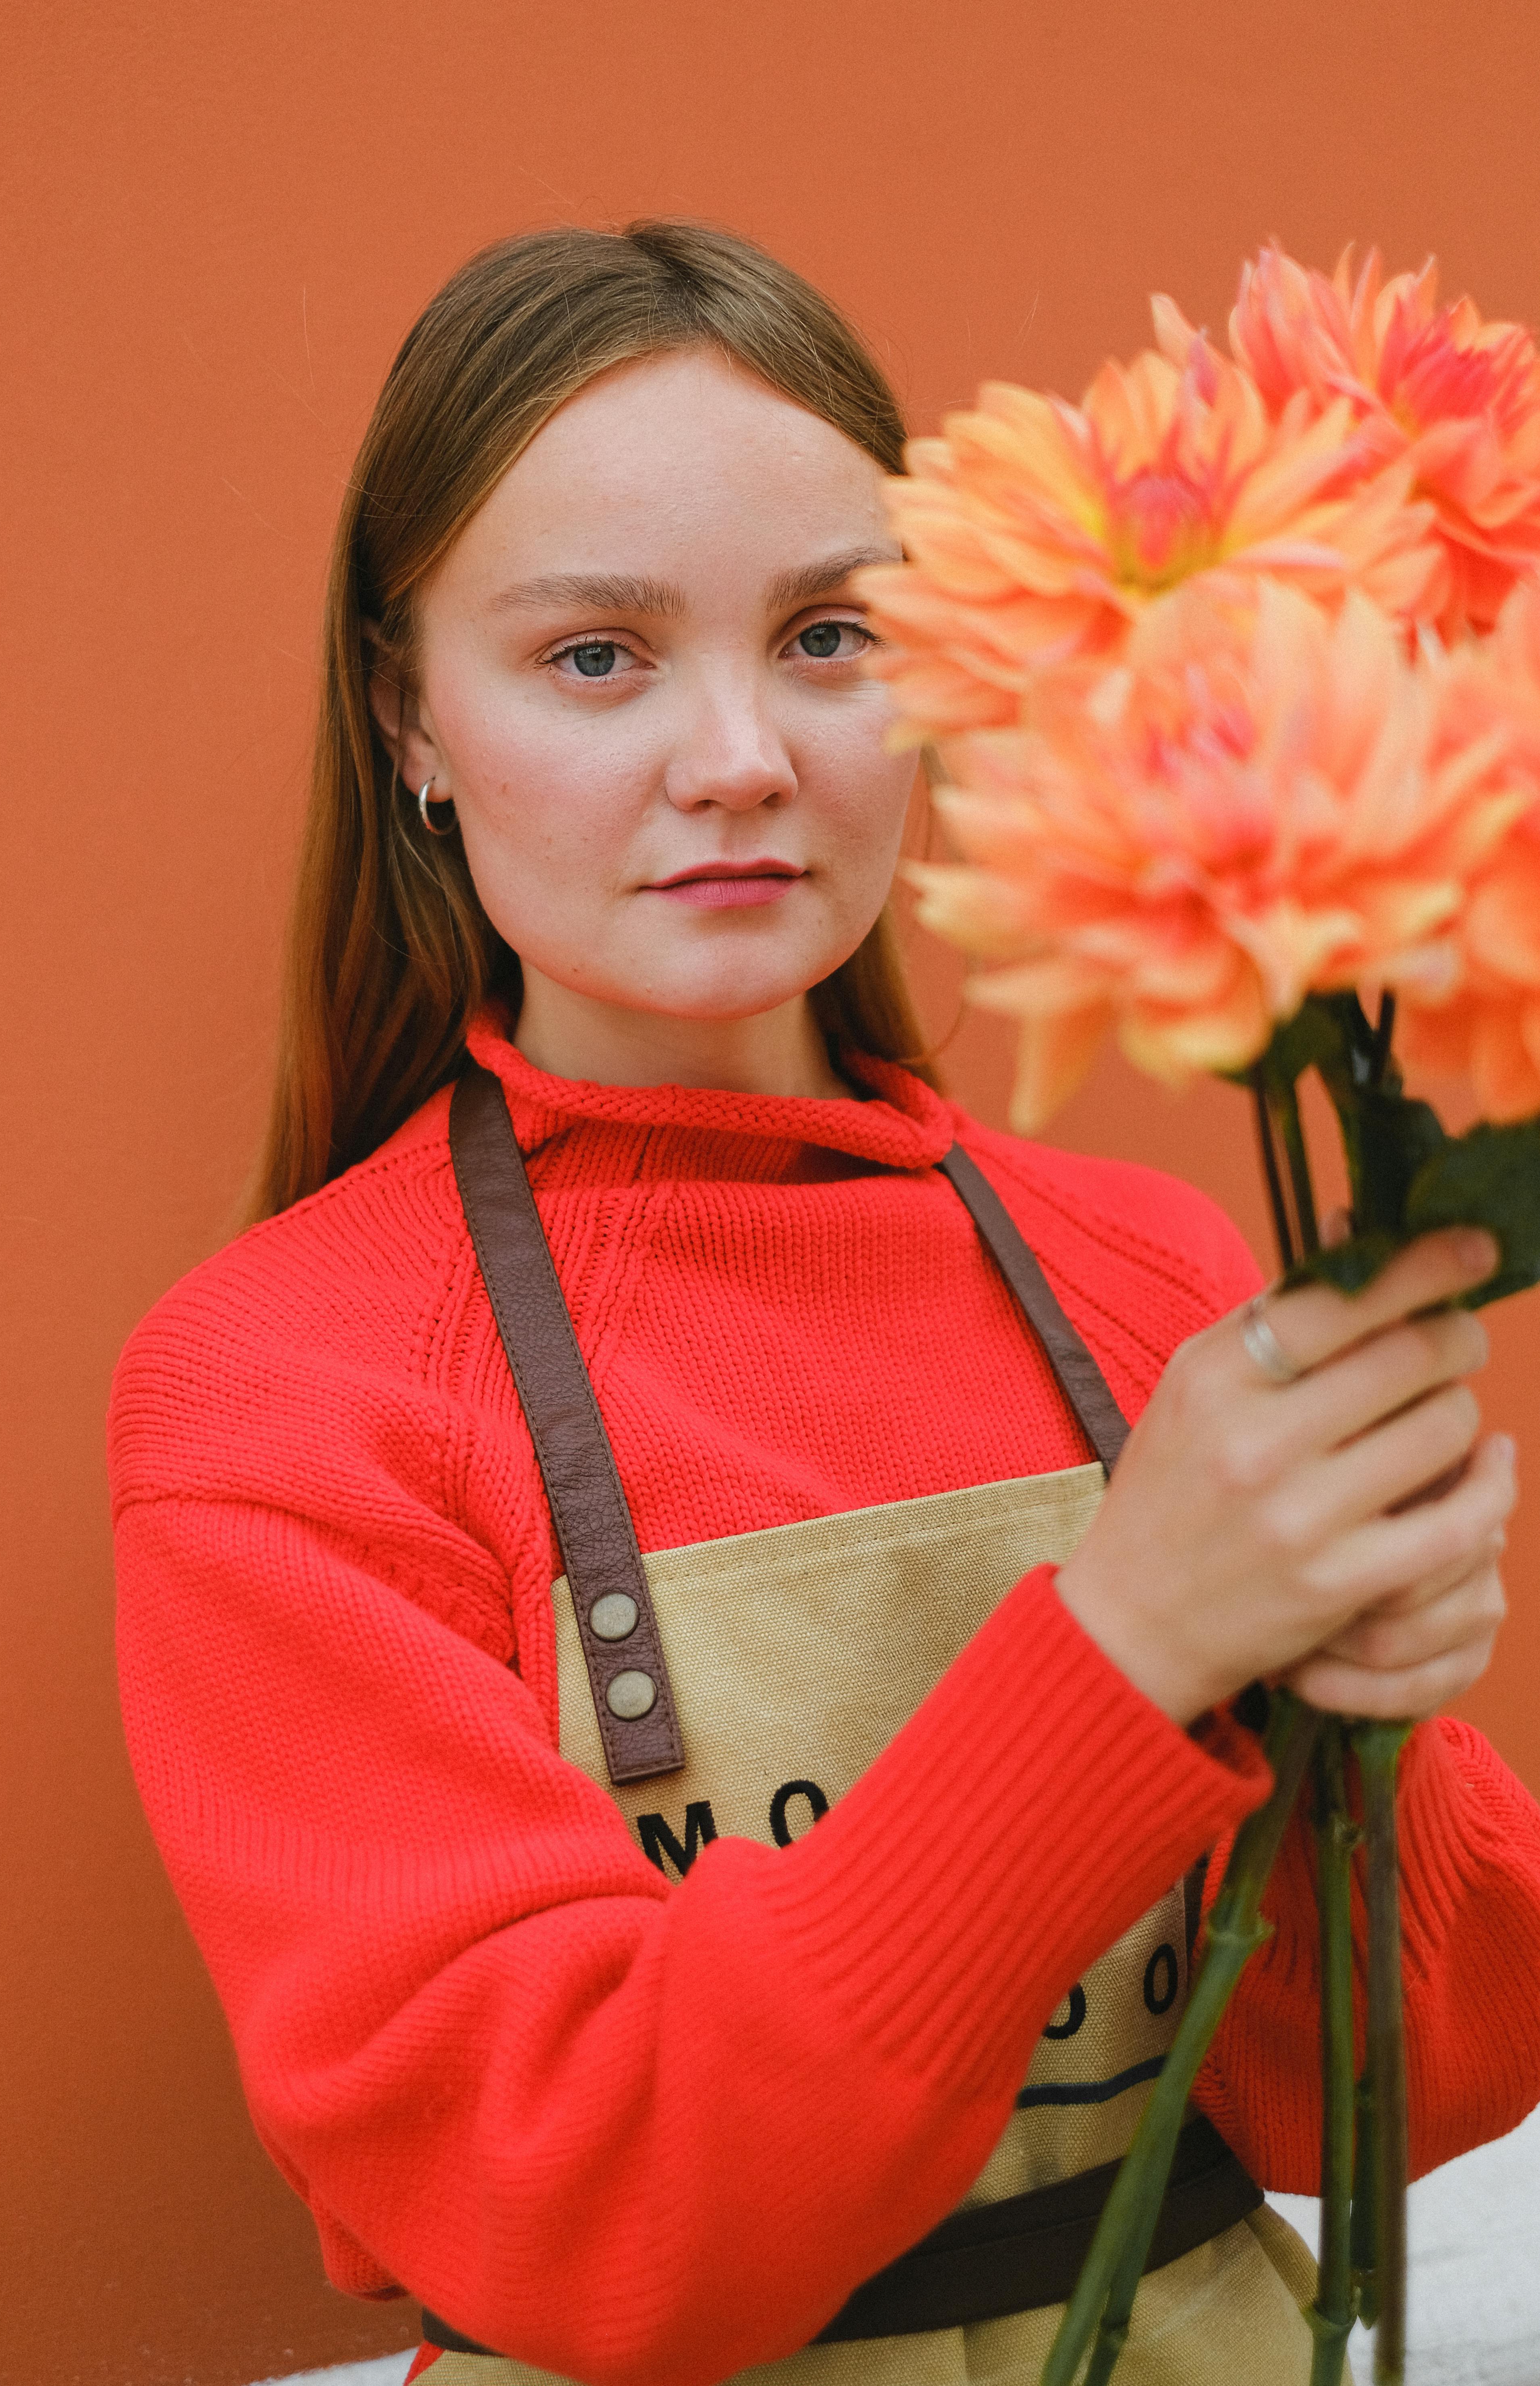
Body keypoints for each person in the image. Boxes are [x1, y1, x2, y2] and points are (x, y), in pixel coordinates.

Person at [108, 222, 1540, 2386]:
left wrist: (1366, 1722)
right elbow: (598, 2213)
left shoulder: (1152, 1271)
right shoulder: (278, 1398)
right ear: (409, 716)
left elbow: (1405, 2088)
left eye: (829, 636)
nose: (740, 758)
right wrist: (1134, 1647)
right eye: (595, 656)